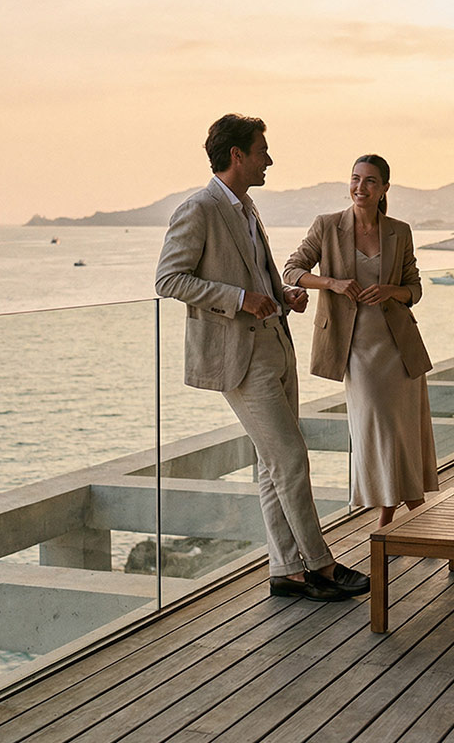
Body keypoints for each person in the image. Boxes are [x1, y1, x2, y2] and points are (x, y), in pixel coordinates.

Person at [154, 114, 369, 602]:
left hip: (276, 347)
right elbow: (168, 280)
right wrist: (239, 298)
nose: (268, 159)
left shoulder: (246, 208)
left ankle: (287, 570)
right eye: (261, 150)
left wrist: (282, 292)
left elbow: (256, 275)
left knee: (273, 464)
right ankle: (321, 566)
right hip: (240, 358)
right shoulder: (199, 209)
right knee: (291, 458)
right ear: (238, 156)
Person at [283, 155, 438, 527]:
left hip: (399, 349)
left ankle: (389, 516)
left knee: (402, 431)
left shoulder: (399, 230)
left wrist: (391, 290)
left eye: (370, 181)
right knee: (379, 429)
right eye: (355, 179)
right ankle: (417, 510)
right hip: (354, 349)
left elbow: (414, 288)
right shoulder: (327, 226)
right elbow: (291, 269)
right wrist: (332, 283)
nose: (360, 187)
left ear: (385, 188)